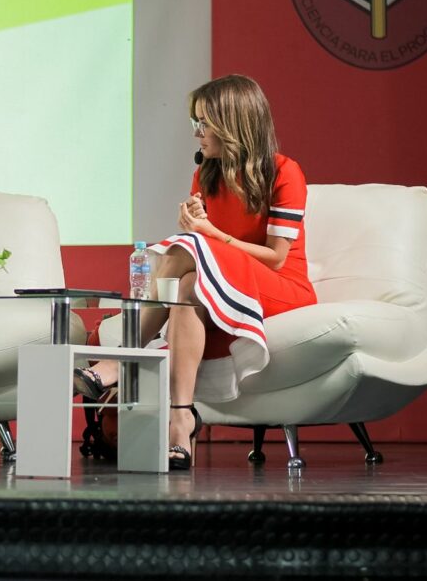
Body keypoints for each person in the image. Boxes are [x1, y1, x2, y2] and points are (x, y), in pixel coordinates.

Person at [74, 75, 316, 470]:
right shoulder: (207, 173)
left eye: (204, 123)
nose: (197, 133)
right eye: (195, 123)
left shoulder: (285, 172)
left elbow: (274, 258)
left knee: (187, 248)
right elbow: (202, 252)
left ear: (233, 124)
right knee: (187, 286)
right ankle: (181, 420)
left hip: (279, 289)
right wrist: (198, 234)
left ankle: (122, 360)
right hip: (218, 285)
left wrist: (208, 234)